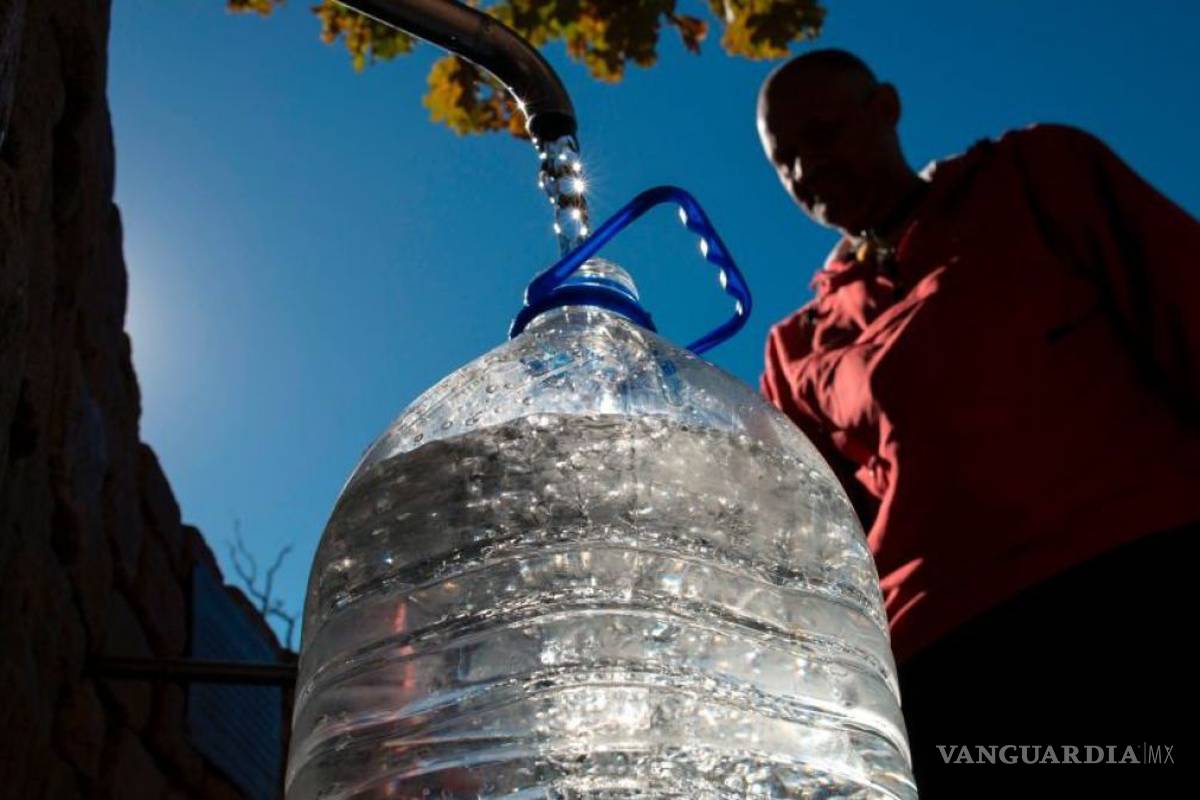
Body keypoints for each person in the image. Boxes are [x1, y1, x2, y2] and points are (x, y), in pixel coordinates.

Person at [756, 49, 1199, 795]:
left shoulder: (1036, 174)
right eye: (785, 161)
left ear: (885, 108)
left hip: (1138, 571)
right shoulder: (796, 346)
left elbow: (1184, 304)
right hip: (947, 654)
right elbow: (813, 553)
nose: (807, 170)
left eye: (823, 134)